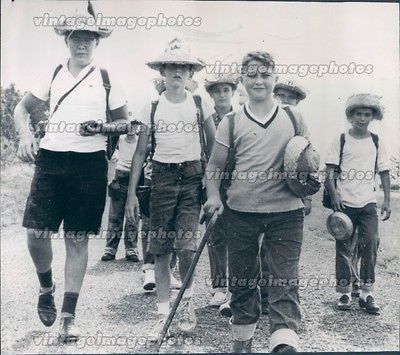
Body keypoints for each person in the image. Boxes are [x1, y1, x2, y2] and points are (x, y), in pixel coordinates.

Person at [13, 5, 129, 342]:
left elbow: (125, 122)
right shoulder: (52, 74)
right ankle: (46, 286)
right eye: (76, 37)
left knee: (77, 240)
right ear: (67, 40)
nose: (82, 44)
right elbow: (21, 108)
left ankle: (68, 316)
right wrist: (25, 134)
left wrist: (104, 127)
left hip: (89, 165)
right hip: (50, 160)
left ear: (96, 42)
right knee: (36, 233)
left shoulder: (107, 78)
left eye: (88, 38)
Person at [204, 51, 311, 353]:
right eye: (252, 74)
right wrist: (213, 196)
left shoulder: (294, 117)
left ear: (275, 79)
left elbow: (305, 163)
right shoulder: (232, 120)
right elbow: (214, 166)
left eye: (265, 74)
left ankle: (284, 342)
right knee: (241, 283)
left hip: (287, 212)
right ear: (242, 81)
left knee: (284, 281)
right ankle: (243, 343)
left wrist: (308, 184)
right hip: (241, 212)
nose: (259, 80)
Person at [125, 38, 215, 339]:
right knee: (161, 250)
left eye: (184, 67)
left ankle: (186, 303)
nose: (178, 71)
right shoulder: (150, 106)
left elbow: (214, 147)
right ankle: (162, 316)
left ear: (191, 72)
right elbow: (140, 153)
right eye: (172, 66)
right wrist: (131, 197)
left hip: (191, 179)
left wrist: (214, 189)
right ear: (162, 71)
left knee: (187, 247)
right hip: (161, 180)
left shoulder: (200, 103)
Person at [325, 93, 391, 314]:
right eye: (358, 114)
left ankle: (366, 293)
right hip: (345, 203)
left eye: (367, 114)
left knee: (370, 243)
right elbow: (330, 171)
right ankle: (344, 293)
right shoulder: (341, 139)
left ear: (372, 117)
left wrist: (387, 201)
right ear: (350, 116)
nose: (362, 118)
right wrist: (334, 196)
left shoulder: (376, 141)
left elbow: (383, 172)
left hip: (367, 203)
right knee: (344, 247)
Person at [203, 74, 238, 310]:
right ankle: (218, 288)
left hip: (238, 182)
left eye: (226, 90)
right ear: (212, 94)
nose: (222, 94)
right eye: (218, 91)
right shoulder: (205, 118)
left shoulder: (241, 117)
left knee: (240, 236)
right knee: (215, 234)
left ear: (232, 92)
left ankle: (238, 288)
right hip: (213, 181)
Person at [273, 79, 312, 215]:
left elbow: (307, 158)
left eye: (291, 97)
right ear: (274, 96)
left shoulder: (298, 121)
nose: (285, 100)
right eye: (281, 96)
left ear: (297, 102)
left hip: (288, 186)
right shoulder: (264, 117)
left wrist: (307, 197)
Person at [101, 130, 141, 262]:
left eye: (135, 124)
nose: (131, 128)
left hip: (135, 178)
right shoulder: (120, 139)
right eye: (129, 124)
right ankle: (110, 249)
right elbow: (109, 152)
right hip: (120, 176)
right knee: (115, 215)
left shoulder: (141, 141)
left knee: (133, 216)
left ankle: (131, 249)